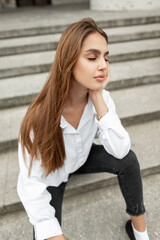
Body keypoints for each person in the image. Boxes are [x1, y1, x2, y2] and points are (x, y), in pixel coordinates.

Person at [17, 18, 150, 240]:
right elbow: (31, 184)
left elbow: (120, 150)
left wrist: (97, 96)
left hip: (82, 158)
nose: (103, 65)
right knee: (45, 232)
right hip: (54, 170)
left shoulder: (101, 97)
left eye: (106, 58)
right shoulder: (38, 118)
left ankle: (140, 232)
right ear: (68, 62)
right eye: (92, 57)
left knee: (129, 161)